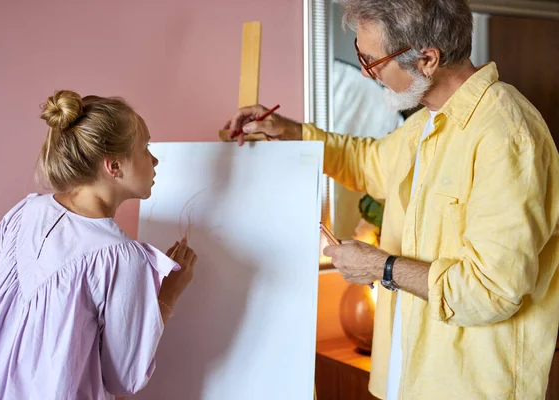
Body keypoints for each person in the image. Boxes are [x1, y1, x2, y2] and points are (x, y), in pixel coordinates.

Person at [223, 0, 559, 398]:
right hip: (409, 377)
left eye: (374, 61)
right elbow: (366, 163)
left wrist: (383, 268)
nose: (367, 73)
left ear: (428, 59)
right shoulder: (426, 123)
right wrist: (291, 131)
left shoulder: (507, 137)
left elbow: (491, 291)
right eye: (361, 58)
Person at [0, 90, 197, 399]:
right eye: (145, 147)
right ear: (113, 166)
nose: (154, 159)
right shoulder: (121, 258)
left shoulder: (26, 211)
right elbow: (122, 378)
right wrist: (168, 294)